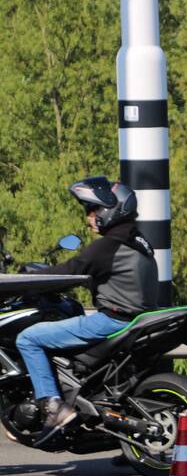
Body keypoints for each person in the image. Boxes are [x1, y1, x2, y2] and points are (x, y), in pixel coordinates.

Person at [17, 176, 158, 446]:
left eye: (92, 210)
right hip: (135, 319)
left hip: (112, 321)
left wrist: (25, 281)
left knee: (28, 338)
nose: (88, 218)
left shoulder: (107, 245)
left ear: (109, 210)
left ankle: (55, 407)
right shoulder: (138, 240)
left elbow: (69, 271)